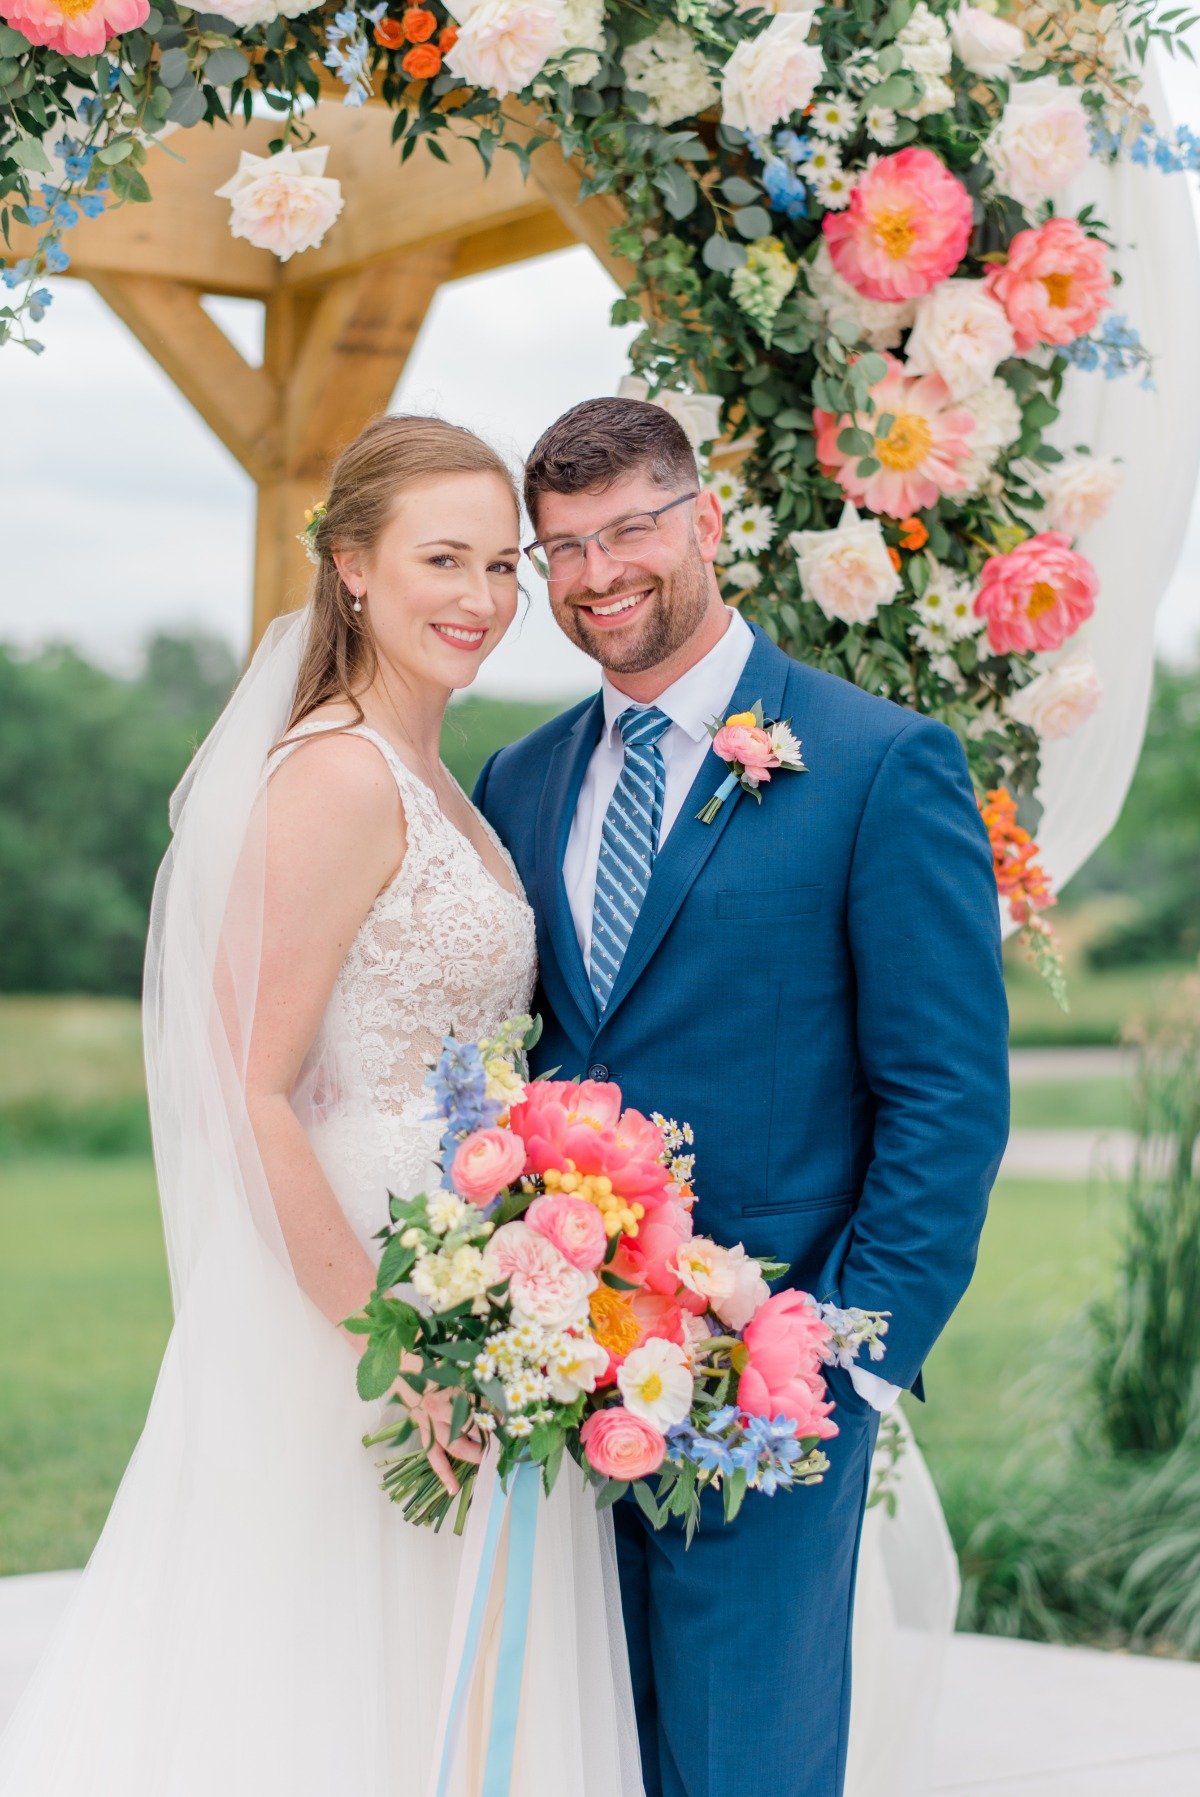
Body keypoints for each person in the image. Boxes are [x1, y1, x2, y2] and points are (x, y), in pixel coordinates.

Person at [0, 413, 643, 1797]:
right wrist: (395, 1339)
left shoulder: (446, 785)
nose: (480, 597)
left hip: (486, 1289)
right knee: (331, 1677)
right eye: (441, 559)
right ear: (352, 566)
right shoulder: (343, 774)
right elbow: (252, 1086)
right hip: (362, 1304)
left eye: (500, 563)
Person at [474, 395, 1011, 1797]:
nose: (599, 574)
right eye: (563, 548)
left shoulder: (879, 764)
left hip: (765, 1388)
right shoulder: (519, 779)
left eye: (630, 528)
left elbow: (947, 1097)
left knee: (742, 1768)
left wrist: (841, 1360)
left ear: (708, 521)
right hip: (557, 1372)